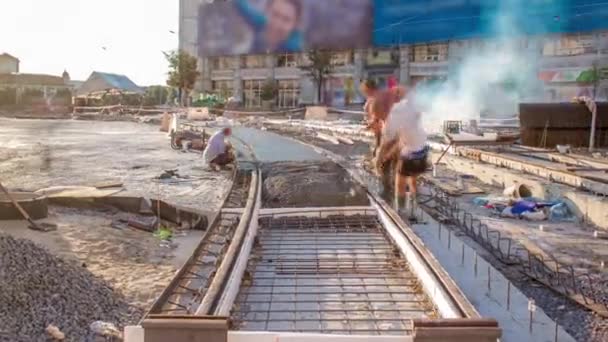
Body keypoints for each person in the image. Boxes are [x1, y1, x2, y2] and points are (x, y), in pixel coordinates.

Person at [376, 88, 429, 220]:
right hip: (422, 150)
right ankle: (415, 210)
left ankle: (400, 211)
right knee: (413, 180)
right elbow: (402, 138)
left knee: (400, 182)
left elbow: (388, 139)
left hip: (410, 153)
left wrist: (379, 158)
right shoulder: (411, 107)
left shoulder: (395, 113)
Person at [235, 0, 303, 53]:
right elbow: (243, 8)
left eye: (286, 19)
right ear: (266, 11)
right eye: (275, 14)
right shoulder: (261, 23)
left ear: (295, 25)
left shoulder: (294, 51)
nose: (277, 24)